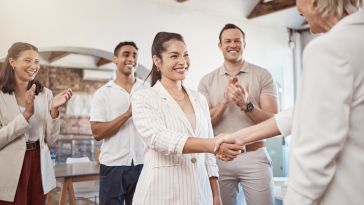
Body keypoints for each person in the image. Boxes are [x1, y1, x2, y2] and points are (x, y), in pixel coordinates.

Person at [217, 0, 364, 204]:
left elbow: (316, 148)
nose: (297, 7)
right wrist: (239, 136)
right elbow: (301, 113)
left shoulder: (328, 49)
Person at [131, 32, 239, 205]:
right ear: (157, 61)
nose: (183, 62)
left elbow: (209, 155)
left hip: (200, 194)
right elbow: (158, 138)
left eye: (186, 55)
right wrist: (212, 145)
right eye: (174, 56)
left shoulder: (199, 99)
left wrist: (216, 194)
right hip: (160, 194)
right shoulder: (143, 97)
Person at [198, 23, 278, 205]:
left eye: (237, 41)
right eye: (227, 41)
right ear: (220, 46)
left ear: (244, 44)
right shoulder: (207, 81)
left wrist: (246, 105)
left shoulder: (263, 75)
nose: (232, 45)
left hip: (255, 156)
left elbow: (274, 121)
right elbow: (204, 123)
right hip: (220, 158)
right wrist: (225, 102)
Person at [0, 42, 72, 204]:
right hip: (9, 166)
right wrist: (25, 115)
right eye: (27, 60)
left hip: (39, 164)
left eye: (37, 62)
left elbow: (51, 140)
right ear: (12, 62)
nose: (33, 66)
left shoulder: (45, 94)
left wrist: (54, 111)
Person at [89, 41, 146, 205]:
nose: (131, 59)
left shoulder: (147, 90)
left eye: (134, 55)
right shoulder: (103, 94)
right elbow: (97, 133)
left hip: (143, 163)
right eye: (126, 54)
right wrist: (127, 114)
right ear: (115, 59)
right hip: (113, 166)